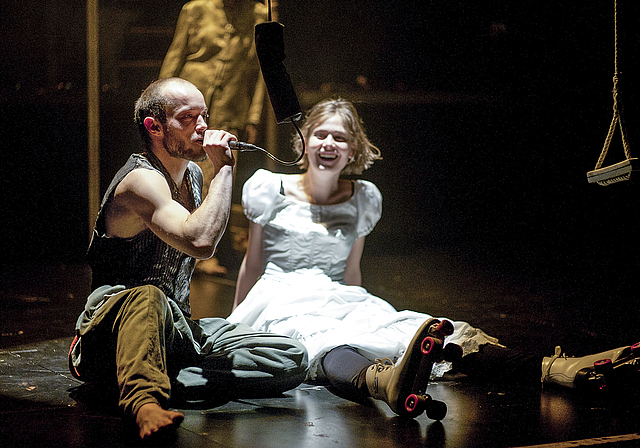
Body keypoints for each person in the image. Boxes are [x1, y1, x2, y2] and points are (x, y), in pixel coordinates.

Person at [228, 98, 639, 416]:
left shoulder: (364, 198)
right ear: (304, 140)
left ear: (353, 148)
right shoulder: (269, 187)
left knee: (429, 330)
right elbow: (252, 262)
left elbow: (352, 272)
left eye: (339, 137)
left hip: (338, 294)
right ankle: (383, 383)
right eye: (320, 134)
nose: (328, 144)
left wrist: (362, 309)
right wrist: (231, 325)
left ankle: (555, 369)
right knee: (327, 340)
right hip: (281, 295)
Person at [68, 78, 308, 440]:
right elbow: (199, 241)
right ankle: (143, 402)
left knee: (289, 355)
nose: (203, 127)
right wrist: (225, 169)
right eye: (188, 118)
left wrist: (213, 171)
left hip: (176, 329)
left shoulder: (194, 174)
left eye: (205, 116)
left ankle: (147, 375)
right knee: (148, 296)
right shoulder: (139, 182)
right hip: (116, 327)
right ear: (155, 127)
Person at [159, 0, 268, 275]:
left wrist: (254, 115)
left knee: (218, 175)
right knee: (182, 174)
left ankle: (205, 250)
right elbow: (175, 57)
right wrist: (160, 107)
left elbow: (261, 71)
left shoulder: (258, 15)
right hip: (187, 109)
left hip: (231, 106)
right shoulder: (195, 9)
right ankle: (177, 245)